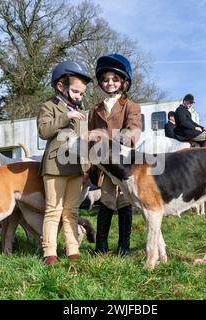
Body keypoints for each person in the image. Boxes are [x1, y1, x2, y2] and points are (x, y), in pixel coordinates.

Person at [37, 60, 92, 265]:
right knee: (53, 210)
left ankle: (73, 251)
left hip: (75, 167)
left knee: (71, 211)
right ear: (61, 86)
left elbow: (84, 142)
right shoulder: (48, 106)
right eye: (76, 92)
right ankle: (49, 253)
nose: (80, 97)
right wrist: (65, 116)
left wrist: (86, 167)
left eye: (82, 94)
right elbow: (43, 131)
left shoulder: (81, 113)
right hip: (54, 167)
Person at [88, 53, 142, 256]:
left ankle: (124, 248)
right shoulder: (94, 110)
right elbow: (90, 139)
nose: (109, 83)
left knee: (125, 203)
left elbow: (132, 133)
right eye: (105, 79)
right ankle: (101, 248)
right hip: (103, 166)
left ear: (123, 82)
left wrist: (103, 136)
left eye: (114, 79)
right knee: (106, 202)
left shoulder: (131, 106)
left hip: (124, 164)